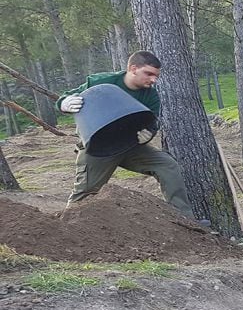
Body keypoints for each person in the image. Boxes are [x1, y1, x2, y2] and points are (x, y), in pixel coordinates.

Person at [56, 51, 196, 220]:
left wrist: (149, 133)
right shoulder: (101, 82)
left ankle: (184, 219)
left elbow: (151, 121)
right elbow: (67, 97)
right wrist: (63, 103)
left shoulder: (150, 95)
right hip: (98, 147)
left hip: (130, 146)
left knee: (168, 165)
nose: (153, 80)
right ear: (133, 68)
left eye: (156, 76)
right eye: (149, 74)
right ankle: (66, 226)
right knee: (85, 192)